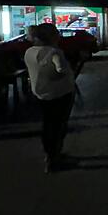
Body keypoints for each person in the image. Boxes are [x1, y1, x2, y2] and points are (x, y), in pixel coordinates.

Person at [24, 23, 76, 173]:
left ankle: (50, 154)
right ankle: (55, 157)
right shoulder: (54, 52)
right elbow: (61, 69)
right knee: (59, 125)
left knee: (48, 124)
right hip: (60, 93)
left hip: (40, 94)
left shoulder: (29, 52)